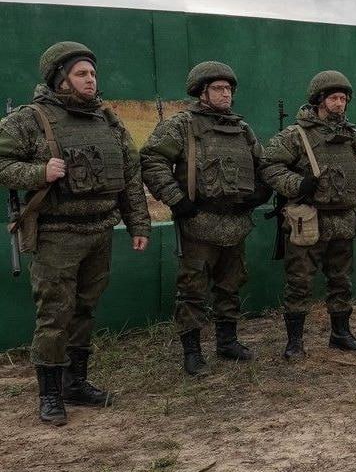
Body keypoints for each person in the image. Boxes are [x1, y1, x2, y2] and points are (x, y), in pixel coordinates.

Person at [0, 42, 151, 425]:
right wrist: (37, 173)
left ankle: (75, 382)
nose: (90, 79)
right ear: (60, 77)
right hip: (56, 234)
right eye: (82, 73)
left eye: (93, 73)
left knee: (84, 309)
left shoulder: (107, 119)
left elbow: (129, 176)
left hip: (100, 230)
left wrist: (138, 224)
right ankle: (50, 394)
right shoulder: (30, 119)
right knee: (54, 315)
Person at [140, 61, 270, 375]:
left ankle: (227, 342)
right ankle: (193, 352)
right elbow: (152, 159)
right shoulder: (182, 125)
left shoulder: (241, 128)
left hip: (236, 221)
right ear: (202, 91)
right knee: (192, 289)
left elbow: (262, 163)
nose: (225, 94)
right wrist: (176, 199)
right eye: (218, 88)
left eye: (228, 89)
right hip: (198, 222)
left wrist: (262, 191)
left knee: (231, 284)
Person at [261, 71, 356, 360]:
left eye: (343, 99)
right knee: (299, 281)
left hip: (343, 220)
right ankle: (295, 342)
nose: (340, 104)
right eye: (334, 98)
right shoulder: (296, 135)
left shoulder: (353, 137)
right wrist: (297, 184)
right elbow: (269, 166)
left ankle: (340, 333)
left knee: (341, 280)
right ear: (319, 100)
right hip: (307, 220)